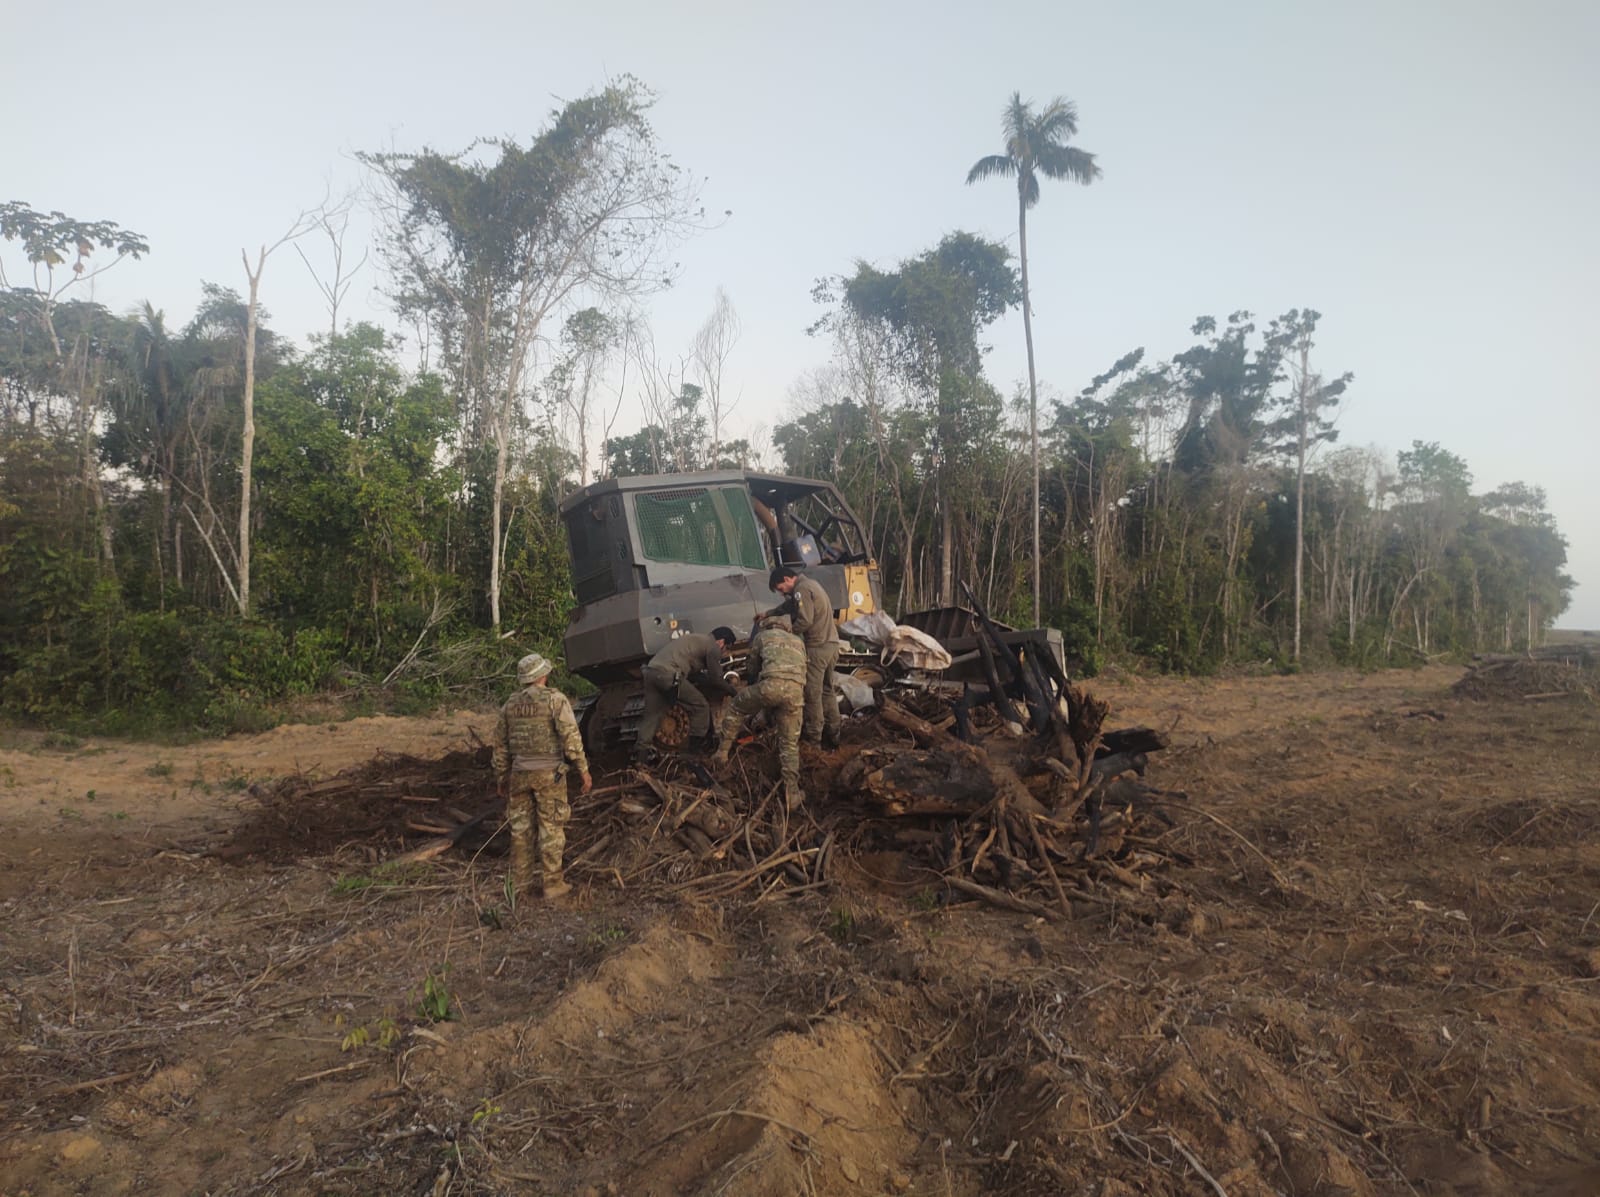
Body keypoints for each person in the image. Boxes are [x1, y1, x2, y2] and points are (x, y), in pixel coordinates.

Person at [491, 652, 591, 904]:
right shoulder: (555, 700)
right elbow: (571, 737)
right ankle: (553, 884)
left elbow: (500, 747)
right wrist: (583, 769)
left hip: (519, 776)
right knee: (551, 830)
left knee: (520, 831)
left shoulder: (509, 705)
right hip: (550, 777)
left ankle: (521, 886)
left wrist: (501, 777)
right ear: (543, 675)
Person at [711, 614, 807, 810]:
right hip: (796, 691)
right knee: (789, 743)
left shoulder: (762, 637)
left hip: (770, 687)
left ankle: (721, 754)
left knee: (736, 708)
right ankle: (792, 793)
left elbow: (752, 666)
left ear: (767, 626)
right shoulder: (798, 641)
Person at [635, 627, 737, 761]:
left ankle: (640, 759)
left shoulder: (696, 640)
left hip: (651, 673)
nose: (724, 652)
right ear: (722, 642)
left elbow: (694, 675)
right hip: (669, 674)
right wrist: (732, 690)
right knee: (700, 706)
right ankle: (692, 753)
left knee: (652, 715)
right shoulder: (713, 647)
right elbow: (716, 678)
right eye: (727, 648)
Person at [768, 565, 842, 749]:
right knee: (827, 690)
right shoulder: (810, 584)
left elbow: (805, 620)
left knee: (812, 694)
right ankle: (834, 734)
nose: (781, 593)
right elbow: (788, 605)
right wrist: (769, 614)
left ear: (787, 579)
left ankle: (813, 740)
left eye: (780, 588)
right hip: (832, 644)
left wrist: (786, 632)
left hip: (817, 648)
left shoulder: (801, 590)